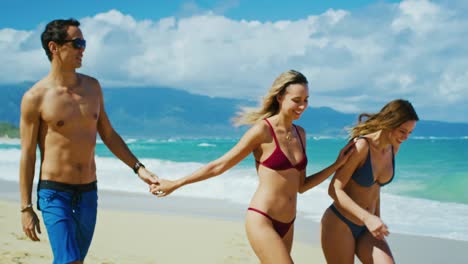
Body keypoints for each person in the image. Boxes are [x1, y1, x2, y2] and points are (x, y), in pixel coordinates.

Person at [150, 70, 355, 263]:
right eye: (297, 100)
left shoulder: (301, 134)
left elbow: (301, 186)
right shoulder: (263, 131)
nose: (302, 106)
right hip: (262, 218)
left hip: (288, 223)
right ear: (280, 98)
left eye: (306, 100)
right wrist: (176, 183)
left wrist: (336, 164)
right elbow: (219, 165)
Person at [19, 18, 158, 264]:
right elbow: (28, 154)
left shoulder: (92, 88)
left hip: (88, 192)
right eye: (77, 43)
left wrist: (139, 168)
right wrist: (26, 207)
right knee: (69, 261)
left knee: (75, 261)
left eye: (83, 43)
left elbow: (108, 134)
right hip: (54, 193)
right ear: (54, 47)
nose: (83, 49)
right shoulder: (35, 97)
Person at [321, 99, 419, 264]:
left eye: (409, 132)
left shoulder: (393, 147)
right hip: (340, 223)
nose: (405, 137)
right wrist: (367, 218)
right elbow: (335, 189)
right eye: (403, 131)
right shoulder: (361, 147)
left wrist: (376, 219)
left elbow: (375, 188)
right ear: (389, 123)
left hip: (368, 227)